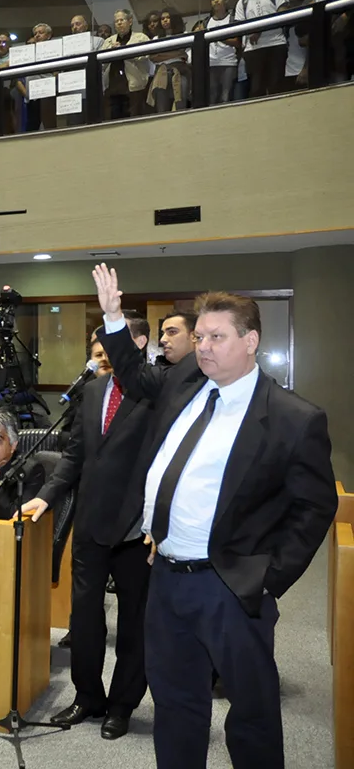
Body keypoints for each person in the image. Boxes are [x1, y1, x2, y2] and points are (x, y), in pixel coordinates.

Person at [91, 264, 336, 769]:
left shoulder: (293, 418)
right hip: (166, 576)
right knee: (176, 702)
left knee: (251, 709)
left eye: (216, 337)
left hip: (230, 583)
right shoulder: (185, 380)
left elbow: (315, 506)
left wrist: (268, 578)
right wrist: (113, 317)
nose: (203, 347)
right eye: (199, 335)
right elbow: (137, 376)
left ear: (250, 341)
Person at [23, 322, 155, 741]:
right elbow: (75, 454)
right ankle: (88, 697)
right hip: (92, 523)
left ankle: (122, 705)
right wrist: (47, 495)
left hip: (137, 528)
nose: (102, 358)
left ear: (139, 344)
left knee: (134, 621)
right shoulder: (93, 392)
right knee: (83, 616)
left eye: (108, 350)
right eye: (97, 352)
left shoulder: (157, 391)